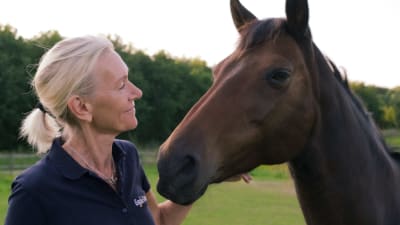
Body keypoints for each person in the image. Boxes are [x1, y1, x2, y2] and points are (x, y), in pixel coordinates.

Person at [4, 35, 251, 225]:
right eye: (121, 85)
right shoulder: (34, 192)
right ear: (81, 107)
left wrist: (203, 175)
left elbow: (160, 220)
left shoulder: (127, 157)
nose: (137, 92)